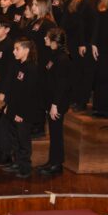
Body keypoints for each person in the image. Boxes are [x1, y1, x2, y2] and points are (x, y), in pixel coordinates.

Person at [0, 37, 39, 179]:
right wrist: (8, 105)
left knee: (23, 141)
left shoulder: (32, 68)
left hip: (24, 112)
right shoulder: (18, 65)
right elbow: (14, 89)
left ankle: (25, 168)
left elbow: (30, 95)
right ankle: (16, 163)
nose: (14, 52)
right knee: (14, 138)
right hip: (13, 108)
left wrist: (21, 113)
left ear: (26, 50)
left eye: (17, 49)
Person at [61, 0, 96, 111]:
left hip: (81, 42)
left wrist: (83, 44)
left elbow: (87, 25)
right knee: (74, 71)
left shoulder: (87, 0)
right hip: (72, 39)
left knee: (82, 72)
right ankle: (74, 98)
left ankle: (81, 101)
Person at [38, 27, 72, 176]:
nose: (44, 39)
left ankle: (57, 164)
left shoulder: (62, 58)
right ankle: (52, 161)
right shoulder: (53, 55)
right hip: (51, 101)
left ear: (54, 41)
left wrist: (54, 105)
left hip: (57, 103)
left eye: (47, 37)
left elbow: (62, 85)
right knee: (53, 132)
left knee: (56, 134)